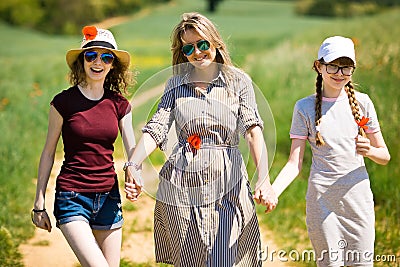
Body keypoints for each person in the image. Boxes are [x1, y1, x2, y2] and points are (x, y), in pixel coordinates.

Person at [124, 12, 277, 266]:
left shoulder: (238, 82)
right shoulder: (175, 85)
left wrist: (264, 179)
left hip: (228, 182)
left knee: (229, 257)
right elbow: (157, 128)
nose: (197, 52)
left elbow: (252, 130)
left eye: (203, 44)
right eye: (189, 48)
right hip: (181, 185)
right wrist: (134, 164)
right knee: (191, 259)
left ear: (215, 43)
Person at [271, 36, 390, 267]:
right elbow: (294, 163)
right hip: (322, 202)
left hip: (358, 202)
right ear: (319, 66)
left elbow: (385, 156)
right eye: (333, 65)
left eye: (346, 67)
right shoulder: (304, 108)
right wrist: (274, 191)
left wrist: (370, 151)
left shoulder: (363, 103)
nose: (339, 72)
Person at [32, 25, 136, 267]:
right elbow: (48, 153)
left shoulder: (119, 104)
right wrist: (39, 203)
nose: (98, 62)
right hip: (72, 196)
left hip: (109, 197)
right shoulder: (63, 103)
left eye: (106, 57)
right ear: (82, 61)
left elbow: (132, 150)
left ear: (113, 65)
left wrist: (134, 173)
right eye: (91, 55)